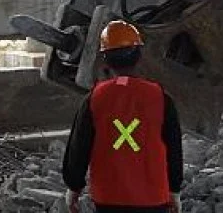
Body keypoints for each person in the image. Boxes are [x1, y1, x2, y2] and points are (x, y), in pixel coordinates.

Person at [63, 20, 183, 213]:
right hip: (153, 198)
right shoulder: (160, 98)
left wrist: (73, 188)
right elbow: (174, 149)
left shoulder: (94, 99)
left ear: (105, 58)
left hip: (108, 199)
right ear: (138, 55)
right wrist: (174, 191)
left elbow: (79, 147)